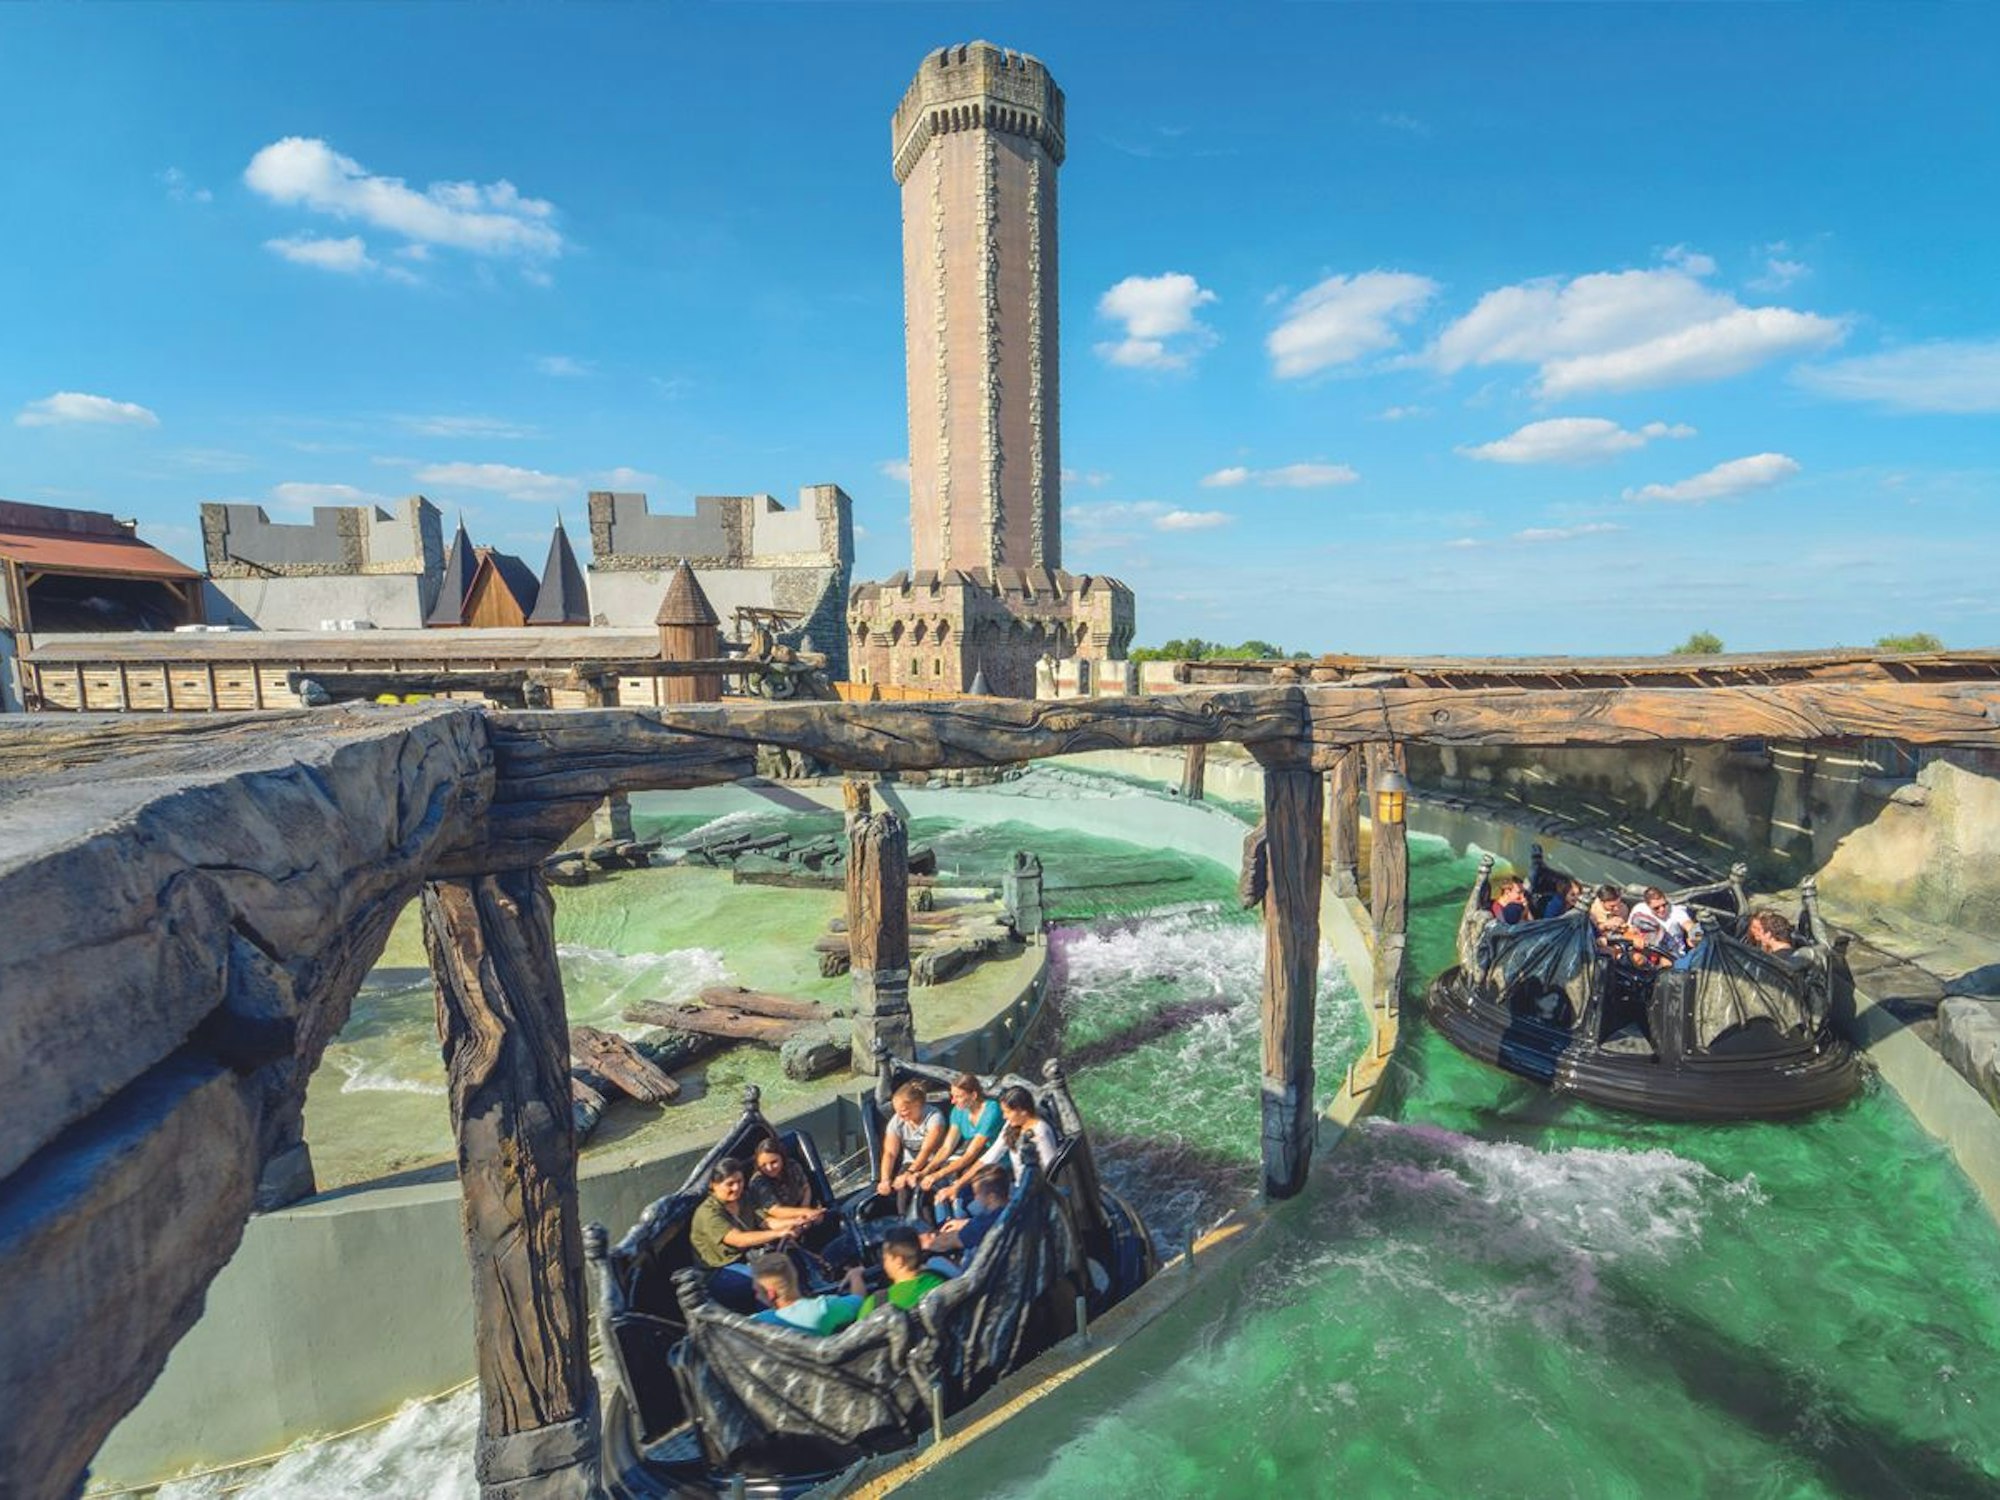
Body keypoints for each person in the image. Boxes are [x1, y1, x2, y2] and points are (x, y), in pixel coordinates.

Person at [690, 1158, 797, 1306]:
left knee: (789, 1263)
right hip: (719, 1272)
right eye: (730, 1184)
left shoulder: (744, 1198)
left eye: (740, 1181)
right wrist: (777, 1233)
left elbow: (766, 1222)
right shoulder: (708, 1213)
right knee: (768, 1281)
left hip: (748, 1258)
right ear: (713, 1185)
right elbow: (738, 1239)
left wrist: (797, 1221)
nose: (736, 1188)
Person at [921, 1073, 1004, 1216]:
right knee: (938, 1191)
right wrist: (927, 1170)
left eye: (958, 1096)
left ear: (973, 1095)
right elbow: (947, 1147)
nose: (953, 1101)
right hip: (971, 1160)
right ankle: (944, 1226)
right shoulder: (958, 1112)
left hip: (992, 1162)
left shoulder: (992, 1110)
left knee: (957, 1195)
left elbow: (971, 1153)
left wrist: (938, 1174)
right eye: (952, 1096)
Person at [748, 1253, 864, 1336]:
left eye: (756, 1291)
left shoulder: (756, 1324)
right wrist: (855, 1275)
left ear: (771, 1294)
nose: (756, 1296)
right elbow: (859, 1299)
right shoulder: (825, 1307)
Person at [877, 1082, 948, 1212]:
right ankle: (904, 1220)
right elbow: (890, 1153)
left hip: (933, 1162)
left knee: (922, 1190)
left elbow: (926, 1150)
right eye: (897, 1111)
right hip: (910, 1163)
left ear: (917, 1105)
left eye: (904, 1111)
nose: (900, 1116)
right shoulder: (897, 1121)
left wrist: (910, 1173)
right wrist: (885, 1179)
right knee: (903, 1191)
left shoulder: (934, 1117)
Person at [924, 1165, 1010, 1264]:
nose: (975, 1198)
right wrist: (965, 1223)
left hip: (980, 1273)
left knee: (934, 1262)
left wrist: (919, 1244)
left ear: (991, 1197)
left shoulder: (981, 1226)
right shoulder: (1015, 1206)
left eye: (977, 1193)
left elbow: (947, 1242)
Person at [746, 1135, 829, 1235]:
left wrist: (805, 1208)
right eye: (763, 1165)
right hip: (774, 1221)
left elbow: (805, 1187)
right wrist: (805, 1214)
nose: (769, 1168)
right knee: (794, 1231)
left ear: (782, 1158)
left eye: (773, 1162)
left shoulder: (792, 1166)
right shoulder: (757, 1182)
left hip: (798, 1209)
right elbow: (775, 1210)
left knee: (819, 1219)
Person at [859, 1227, 949, 1317]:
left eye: (885, 1259)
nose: (884, 1264)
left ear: (899, 1261)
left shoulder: (874, 1304)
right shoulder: (941, 1281)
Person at [979, 1085, 1060, 1181]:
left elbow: (1050, 1170)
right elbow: (992, 1155)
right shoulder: (1012, 1125)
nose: (1004, 1117)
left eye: (1007, 1112)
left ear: (1022, 1111)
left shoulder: (1041, 1131)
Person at [1629, 887, 1698, 962]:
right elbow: (1629, 929)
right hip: (1649, 950)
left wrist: (1694, 936)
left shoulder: (1677, 911)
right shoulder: (1639, 909)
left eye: (1664, 905)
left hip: (1674, 956)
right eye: (1656, 908)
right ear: (1648, 906)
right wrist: (1635, 938)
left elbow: (1689, 925)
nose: (1662, 909)